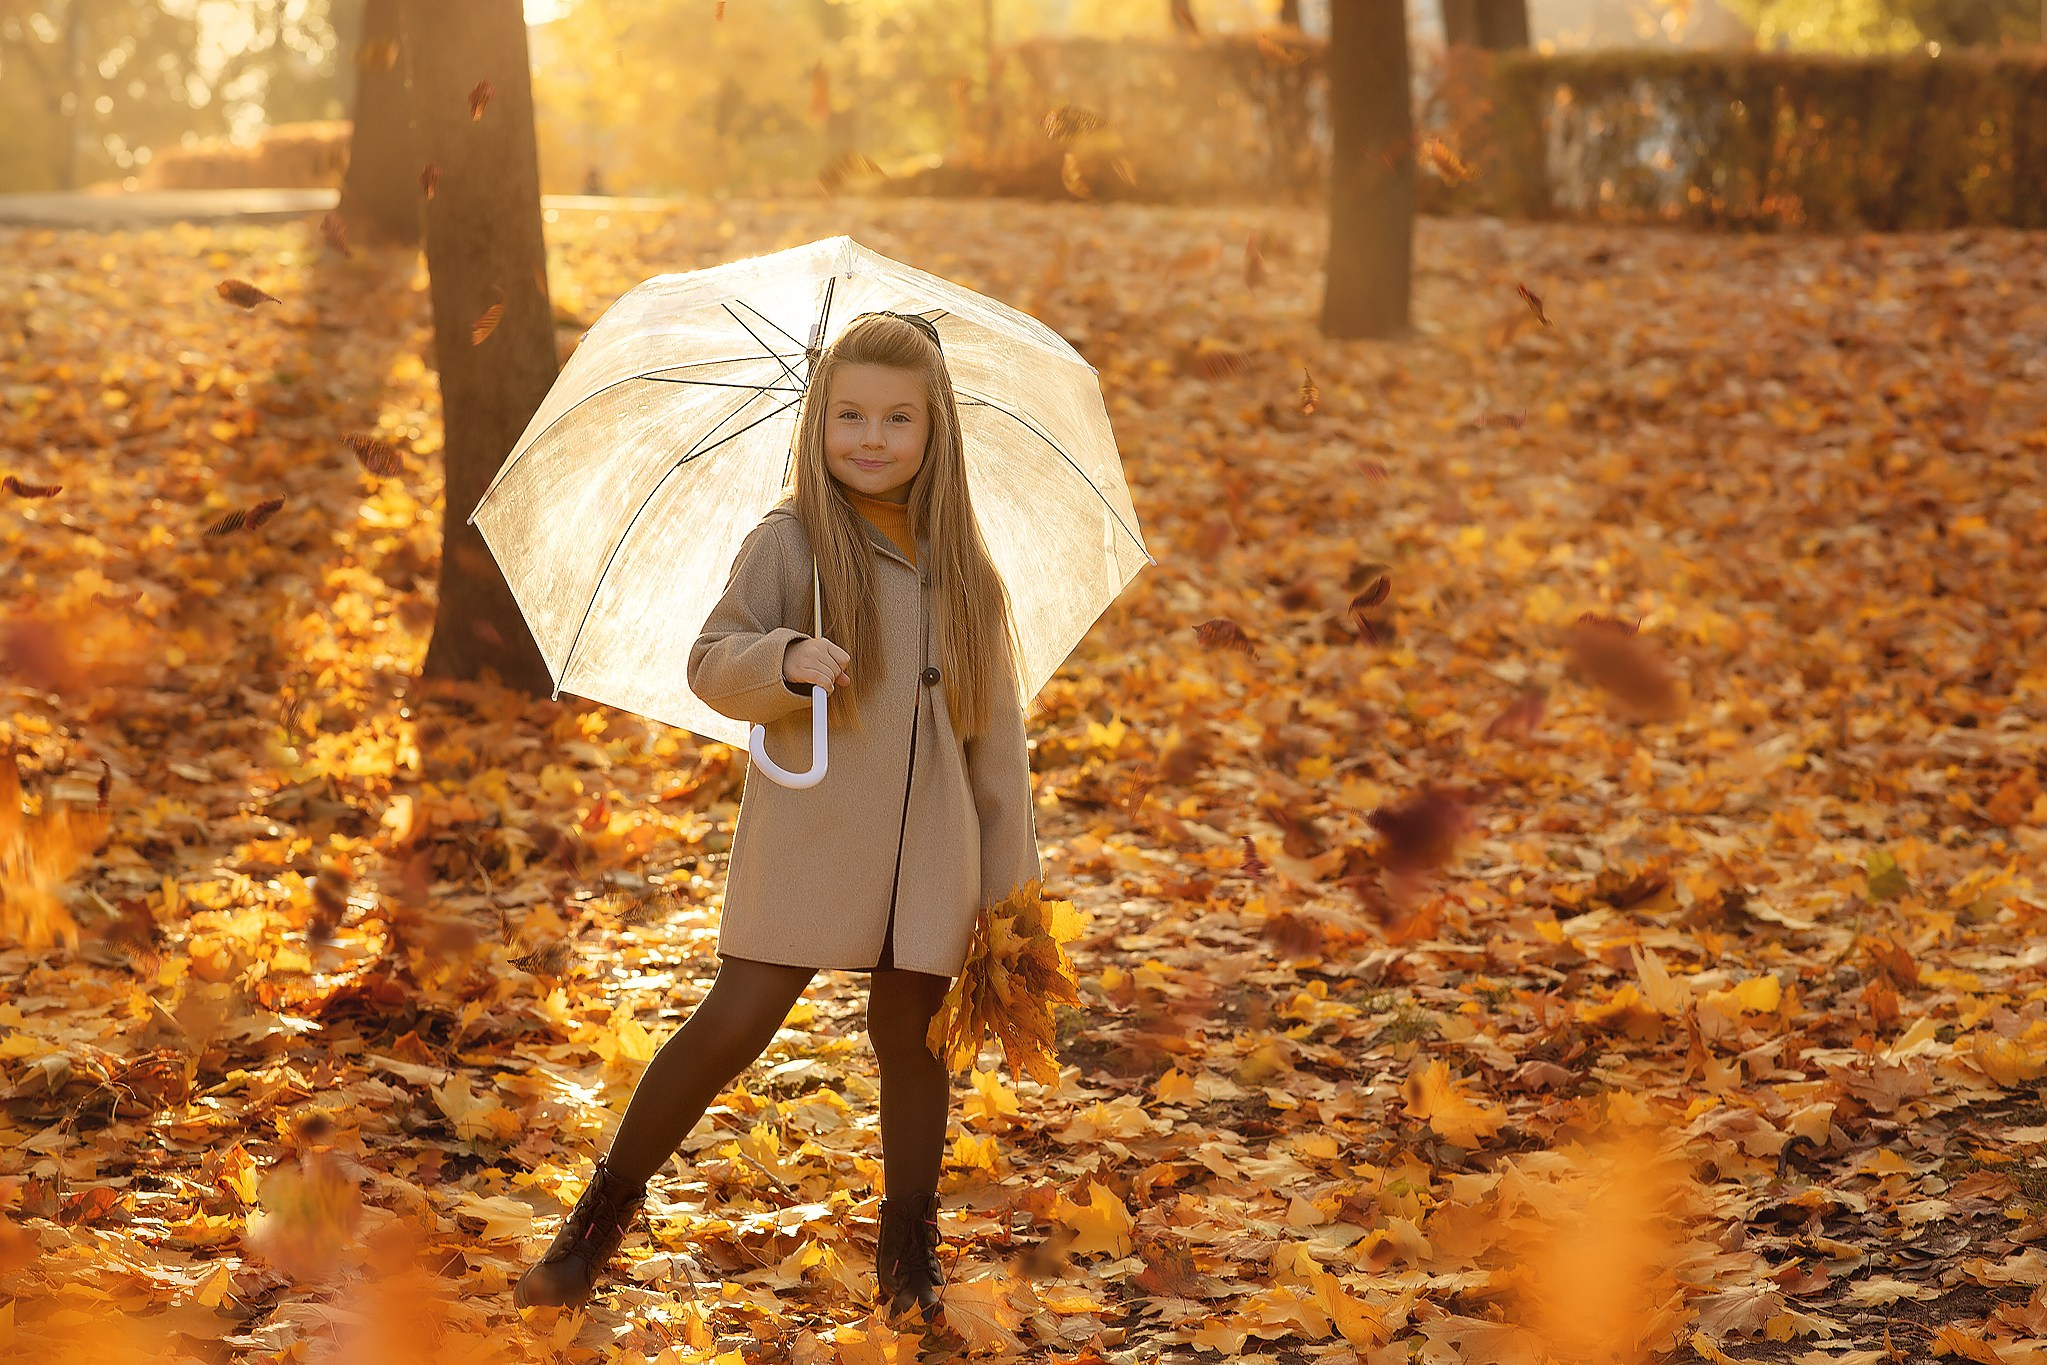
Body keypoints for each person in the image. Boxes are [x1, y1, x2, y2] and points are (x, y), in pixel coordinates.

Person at [513, 311, 1041, 1325]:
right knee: (737, 1017)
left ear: (936, 430)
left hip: (931, 852)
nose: (872, 437)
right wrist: (786, 658)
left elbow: (997, 744)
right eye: (850, 415)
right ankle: (594, 1223)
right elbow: (712, 660)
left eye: (898, 418)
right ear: (817, 421)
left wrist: (1011, 894)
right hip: (814, 832)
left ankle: (909, 1257)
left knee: (912, 1036)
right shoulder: (791, 539)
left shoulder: (968, 572)